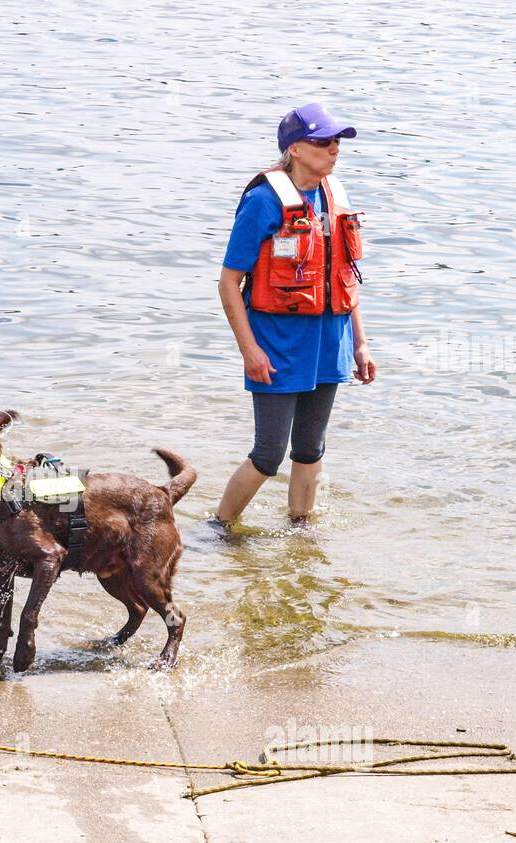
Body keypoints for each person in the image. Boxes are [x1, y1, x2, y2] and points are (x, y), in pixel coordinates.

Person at [216, 102, 377, 526]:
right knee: (268, 454)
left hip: (330, 343)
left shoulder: (335, 195)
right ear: (296, 149)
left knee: (311, 447)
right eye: (323, 141)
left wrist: (360, 344)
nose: (334, 149)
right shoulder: (263, 201)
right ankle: (219, 529)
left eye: (337, 142)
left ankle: (300, 532)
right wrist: (249, 350)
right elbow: (228, 282)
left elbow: (345, 276)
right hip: (277, 345)